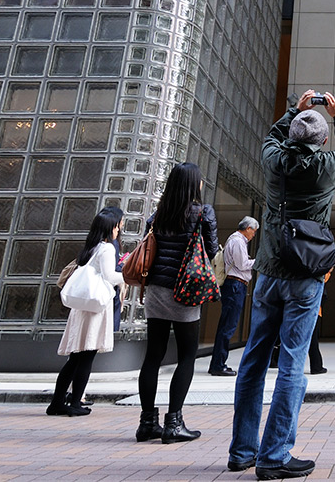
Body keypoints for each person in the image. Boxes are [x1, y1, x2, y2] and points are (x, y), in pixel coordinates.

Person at [228, 90, 335, 480]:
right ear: (323, 140)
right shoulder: (325, 167)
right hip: (305, 276)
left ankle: (242, 451)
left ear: (291, 135)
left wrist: (293, 112)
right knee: (291, 366)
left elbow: (272, 137)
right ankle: (274, 456)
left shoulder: (273, 161)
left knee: (253, 360)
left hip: (268, 272)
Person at [135, 162, 219, 444]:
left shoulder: (158, 214)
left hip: (156, 291)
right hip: (185, 290)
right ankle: (174, 423)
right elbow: (211, 250)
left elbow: (148, 247)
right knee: (186, 355)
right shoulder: (203, 212)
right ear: (194, 184)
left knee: (153, 356)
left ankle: (147, 423)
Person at [48, 205, 125, 416]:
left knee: (75, 358)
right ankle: (75, 403)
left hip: (82, 306)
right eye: (117, 226)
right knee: (87, 357)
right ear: (110, 228)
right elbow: (110, 276)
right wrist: (129, 274)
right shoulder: (107, 248)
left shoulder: (90, 247)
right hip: (95, 308)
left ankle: (57, 402)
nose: (118, 230)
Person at [209, 216, 259, 376]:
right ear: (248, 228)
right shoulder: (237, 241)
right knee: (228, 327)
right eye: (254, 231)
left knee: (226, 326)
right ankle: (218, 365)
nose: (254, 235)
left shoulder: (236, 240)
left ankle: (217, 363)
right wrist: (259, 261)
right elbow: (242, 264)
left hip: (234, 285)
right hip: (235, 285)